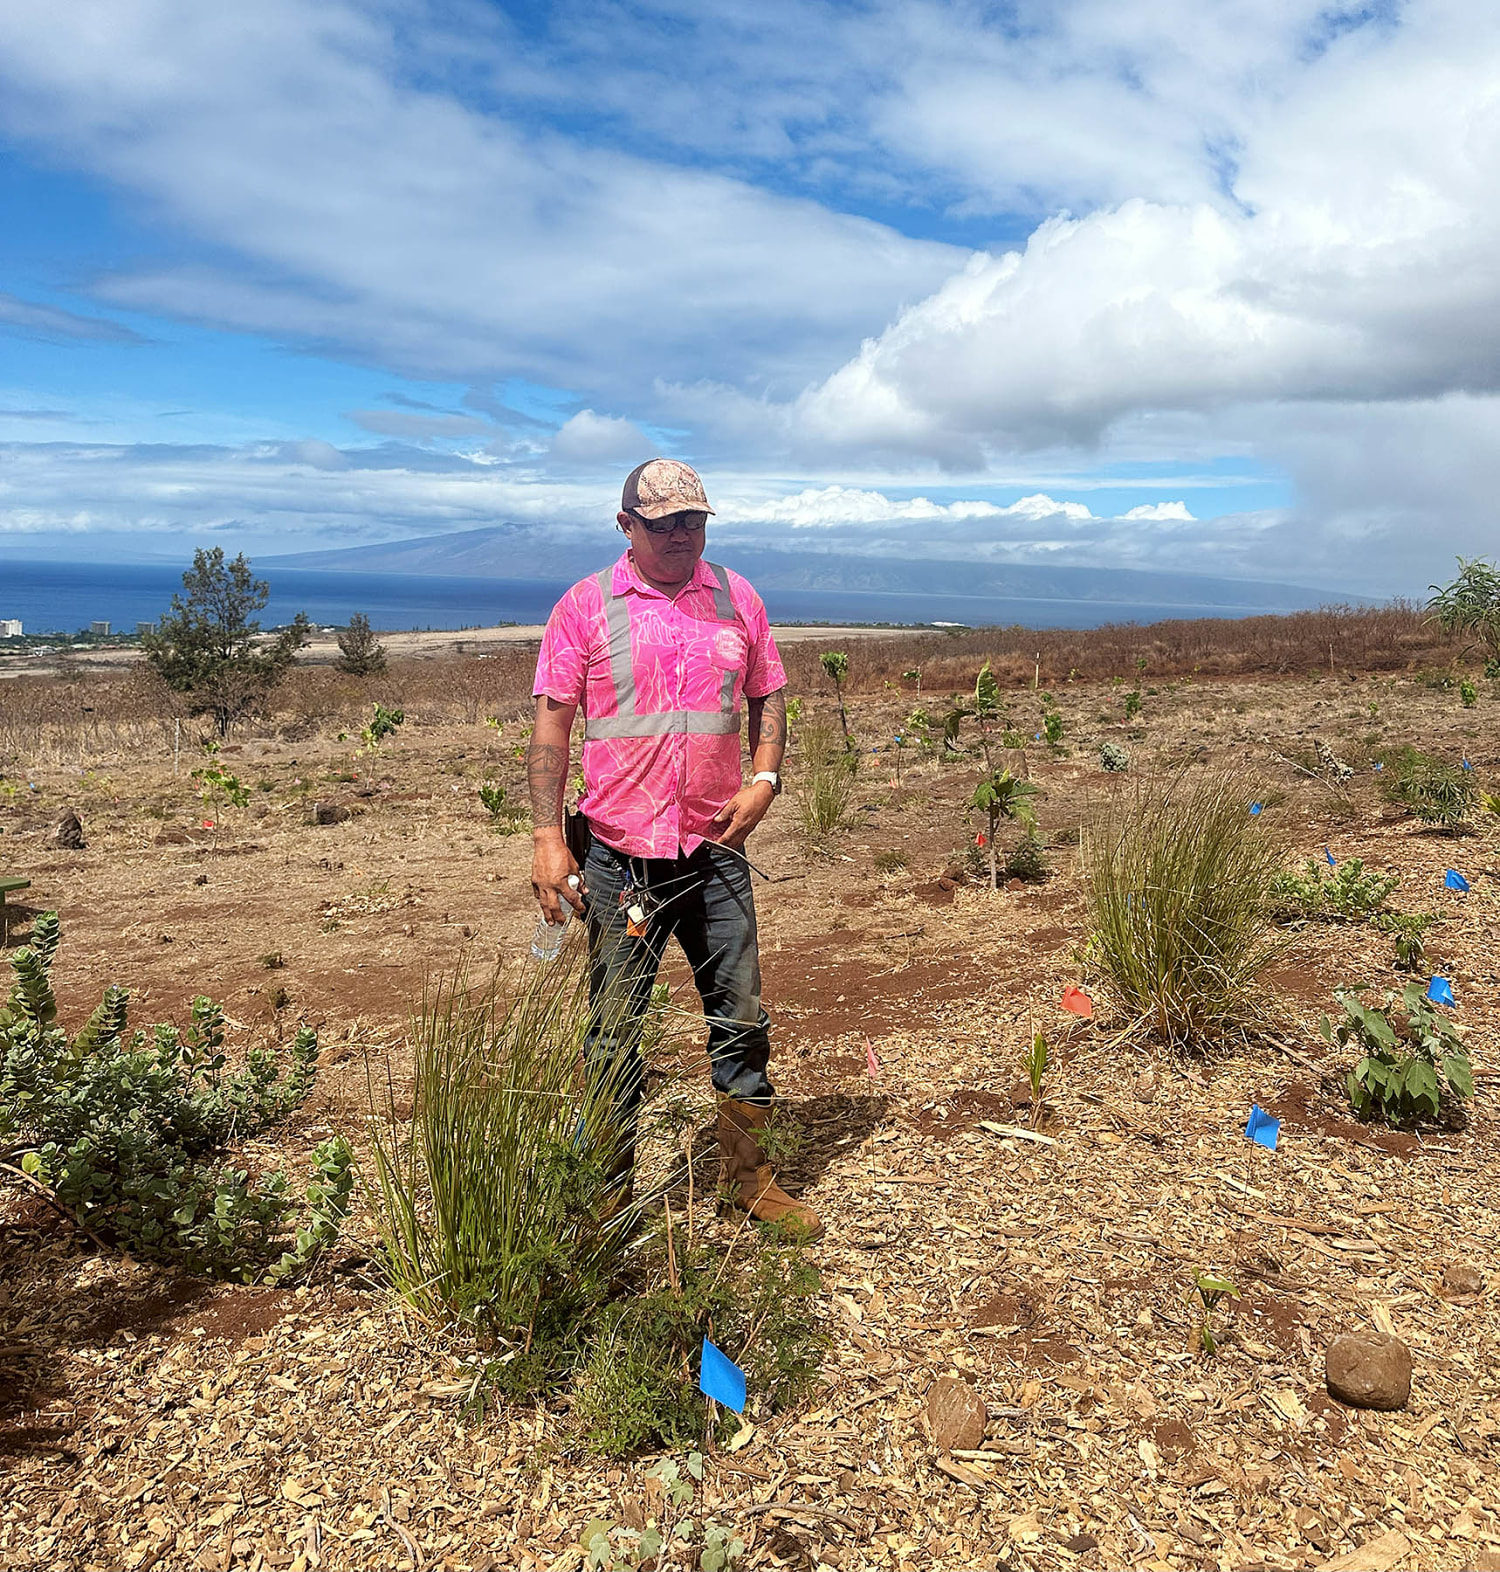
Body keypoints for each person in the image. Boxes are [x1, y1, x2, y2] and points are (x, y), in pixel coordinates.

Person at [527, 458, 822, 1240]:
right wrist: (548, 839)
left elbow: (769, 694)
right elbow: (553, 724)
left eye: (693, 521)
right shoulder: (585, 607)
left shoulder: (736, 597)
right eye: (664, 525)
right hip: (620, 859)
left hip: (717, 850)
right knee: (615, 1026)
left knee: (742, 1013)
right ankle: (605, 1192)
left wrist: (765, 779)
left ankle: (749, 1180)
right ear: (626, 526)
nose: (682, 537)